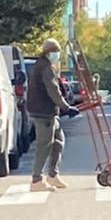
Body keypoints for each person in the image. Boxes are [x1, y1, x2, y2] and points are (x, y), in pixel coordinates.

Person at [26, 38, 75, 192]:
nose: (57, 55)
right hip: (43, 112)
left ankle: (52, 175)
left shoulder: (41, 65)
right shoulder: (46, 68)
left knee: (58, 140)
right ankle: (37, 180)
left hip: (46, 111)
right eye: (55, 52)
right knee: (45, 145)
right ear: (48, 53)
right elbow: (53, 90)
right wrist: (66, 107)